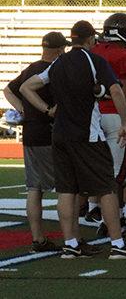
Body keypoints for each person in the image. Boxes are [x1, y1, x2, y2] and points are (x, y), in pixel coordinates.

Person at [18, 21, 126, 259]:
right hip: (86, 133)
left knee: (67, 190)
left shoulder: (58, 63)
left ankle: (71, 244)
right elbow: (116, 90)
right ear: (91, 40)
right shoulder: (93, 60)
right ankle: (117, 244)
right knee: (106, 187)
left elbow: (26, 87)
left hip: (60, 133)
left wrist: (48, 110)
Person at [3, 31, 69, 252]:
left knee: (34, 188)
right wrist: (46, 110)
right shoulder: (55, 70)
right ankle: (71, 237)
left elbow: (8, 90)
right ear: (60, 50)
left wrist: (24, 109)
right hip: (49, 132)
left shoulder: (31, 68)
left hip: (31, 131)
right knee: (65, 187)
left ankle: (38, 237)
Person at [92, 13, 126, 230]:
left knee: (100, 169)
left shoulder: (94, 51)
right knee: (117, 173)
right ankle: (112, 221)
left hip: (94, 117)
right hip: (116, 117)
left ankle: (102, 215)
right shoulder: (125, 56)